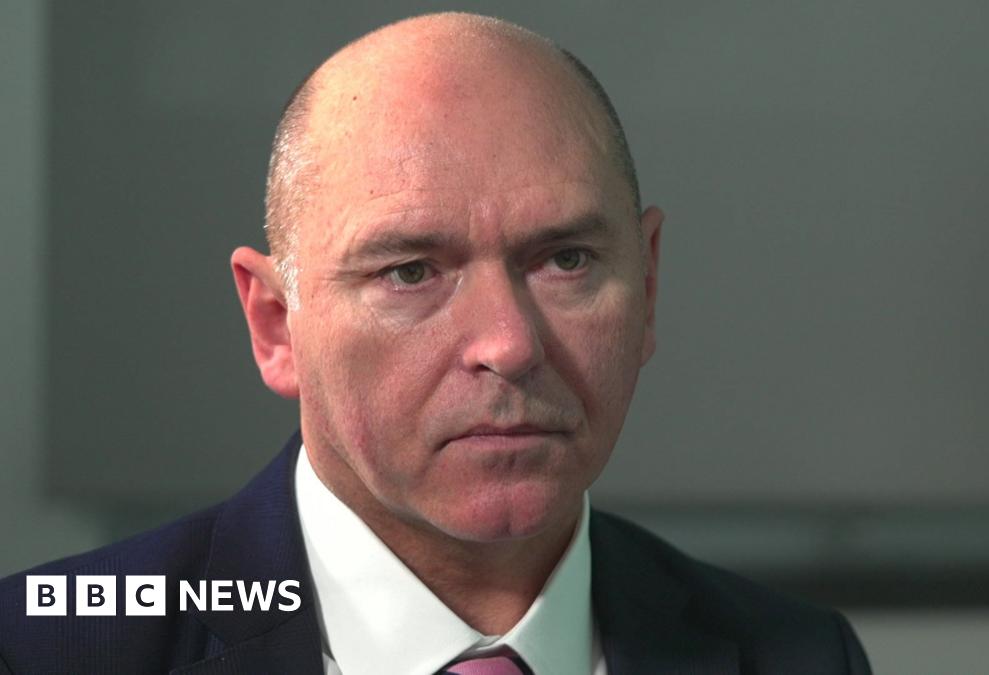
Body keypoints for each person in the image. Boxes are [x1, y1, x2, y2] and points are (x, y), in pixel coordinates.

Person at [0, 13, 871, 674]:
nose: (506, 343)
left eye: (565, 259)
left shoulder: (796, 655)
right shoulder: (45, 649)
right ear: (275, 326)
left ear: (646, 286)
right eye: (412, 271)